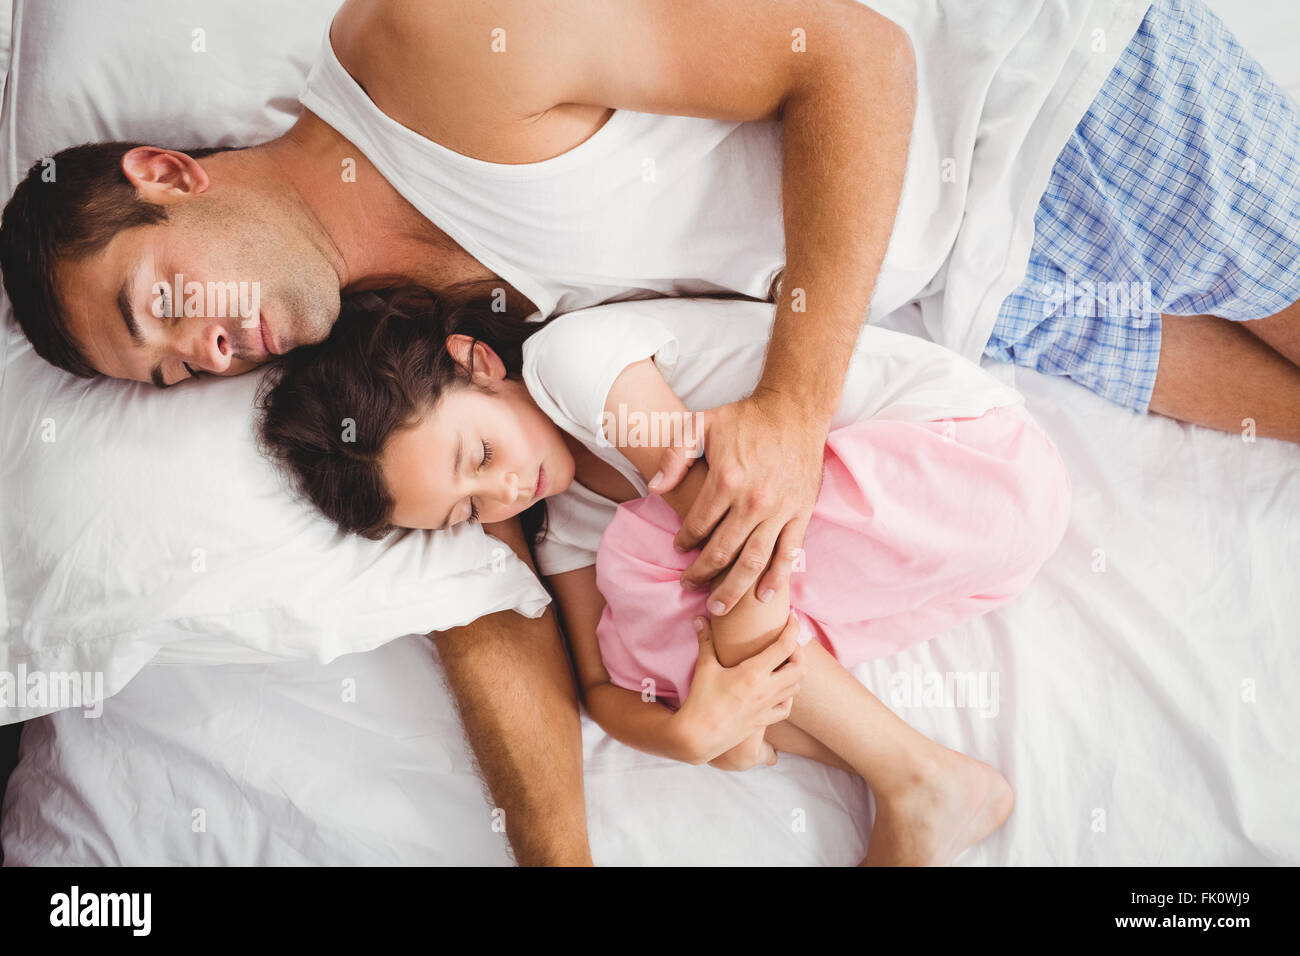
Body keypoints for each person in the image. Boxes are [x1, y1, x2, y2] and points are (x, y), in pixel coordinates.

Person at [3, 0, 1298, 863]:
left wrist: (792, 407)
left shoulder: (428, 52)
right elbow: (496, 599)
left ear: (168, 178)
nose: (203, 352)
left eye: (162, 302)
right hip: (985, 294)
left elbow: (848, 54)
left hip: (1043, 111)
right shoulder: (418, 347)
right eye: (169, 371)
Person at [256, 286, 1072, 864]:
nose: (503, 493)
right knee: (649, 661)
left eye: (479, 455)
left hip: (974, 463)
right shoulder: (571, 516)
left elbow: (728, 533)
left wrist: (729, 706)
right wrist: (688, 734)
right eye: (468, 513)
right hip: (952, 549)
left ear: (477, 362)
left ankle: (921, 779)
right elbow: (603, 691)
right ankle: (920, 778)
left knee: (670, 567)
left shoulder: (570, 365)